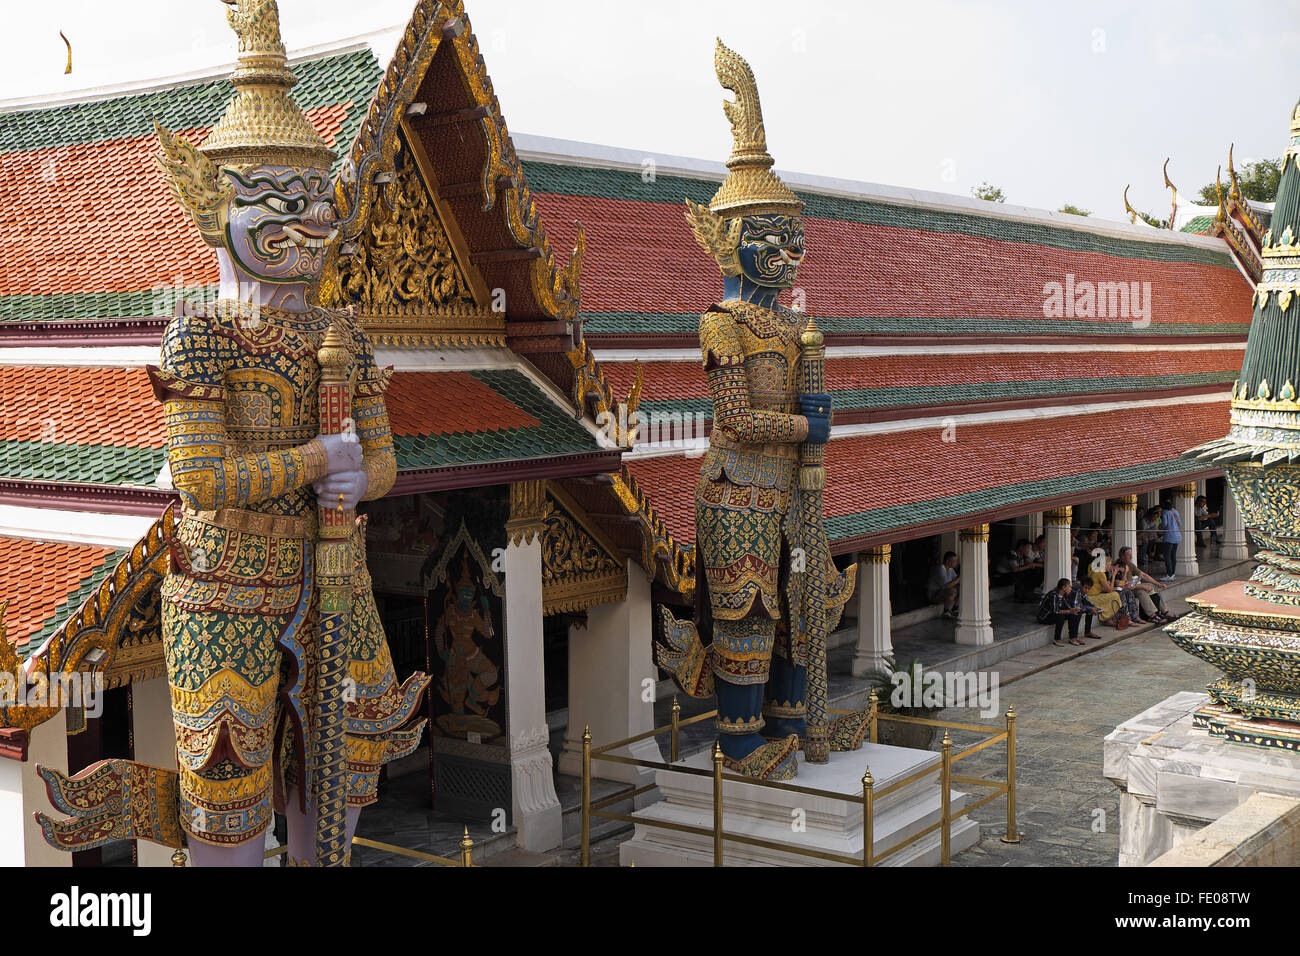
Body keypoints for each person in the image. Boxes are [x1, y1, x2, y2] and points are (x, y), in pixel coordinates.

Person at [1116, 546, 1173, 623]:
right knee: (1141, 591)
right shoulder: (1118, 567)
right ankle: (1152, 615)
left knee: (1152, 586)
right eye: (1128, 555)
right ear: (1122, 556)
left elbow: (1143, 575)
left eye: (1131, 554)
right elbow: (1125, 586)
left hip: (1132, 586)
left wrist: (1159, 584)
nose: (1131, 557)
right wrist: (1142, 586)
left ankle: (1164, 610)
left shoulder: (1130, 564)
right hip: (1125, 590)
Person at [1037, 577, 1098, 646]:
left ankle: (1073, 637)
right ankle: (1057, 639)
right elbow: (1055, 611)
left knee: (1076, 613)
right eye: (1069, 587)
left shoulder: (1063, 595)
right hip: (1045, 617)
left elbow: (1068, 607)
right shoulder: (1054, 595)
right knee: (1061, 617)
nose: (1071, 589)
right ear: (1064, 587)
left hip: (1054, 613)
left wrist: (1073, 611)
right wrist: (1069, 611)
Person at [1083, 549, 1133, 629]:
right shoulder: (1100, 573)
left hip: (1094, 595)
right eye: (1109, 565)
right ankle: (1108, 618)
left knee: (1115, 594)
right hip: (1091, 598)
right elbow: (1109, 590)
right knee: (1115, 595)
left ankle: (1110, 618)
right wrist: (1113, 575)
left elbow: (1105, 588)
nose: (1110, 567)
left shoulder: (1099, 572)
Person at [929, 551, 961, 618]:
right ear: (947, 561)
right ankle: (945, 611)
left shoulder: (950, 569)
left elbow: (956, 582)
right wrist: (959, 578)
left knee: (962, 588)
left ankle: (955, 609)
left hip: (943, 593)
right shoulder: (940, 569)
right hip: (934, 595)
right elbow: (947, 586)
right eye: (954, 561)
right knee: (952, 590)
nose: (956, 563)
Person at [1159, 498, 1182, 581]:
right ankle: (1172, 574)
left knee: (1167, 556)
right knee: (1173, 556)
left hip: (1169, 536)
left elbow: (1164, 524)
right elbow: (1180, 523)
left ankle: (1169, 574)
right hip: (1177, 536)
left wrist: (1159, 527)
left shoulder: (1165, 512)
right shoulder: (1175, 511)